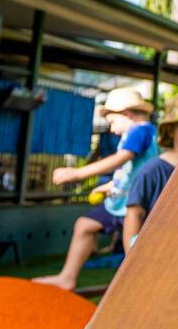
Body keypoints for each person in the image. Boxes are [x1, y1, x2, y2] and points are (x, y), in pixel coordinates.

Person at [34, 87, 158, 291]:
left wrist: (77, 173)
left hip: (134, 205)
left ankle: (137, 288)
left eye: (112, 122)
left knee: (132, 248)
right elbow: (131, 170)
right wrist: (108, 187)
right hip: (122, 200)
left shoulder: (140, 130)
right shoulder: (143, 133)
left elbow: (121, 159)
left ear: (126, 114)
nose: (111, 129)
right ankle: (67, 277)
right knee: (85, 225)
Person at [122, 86, 178, 248]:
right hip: (159, 251)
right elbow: (134, 214)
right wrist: (131, 260)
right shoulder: (153, 170)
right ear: (171, 131)